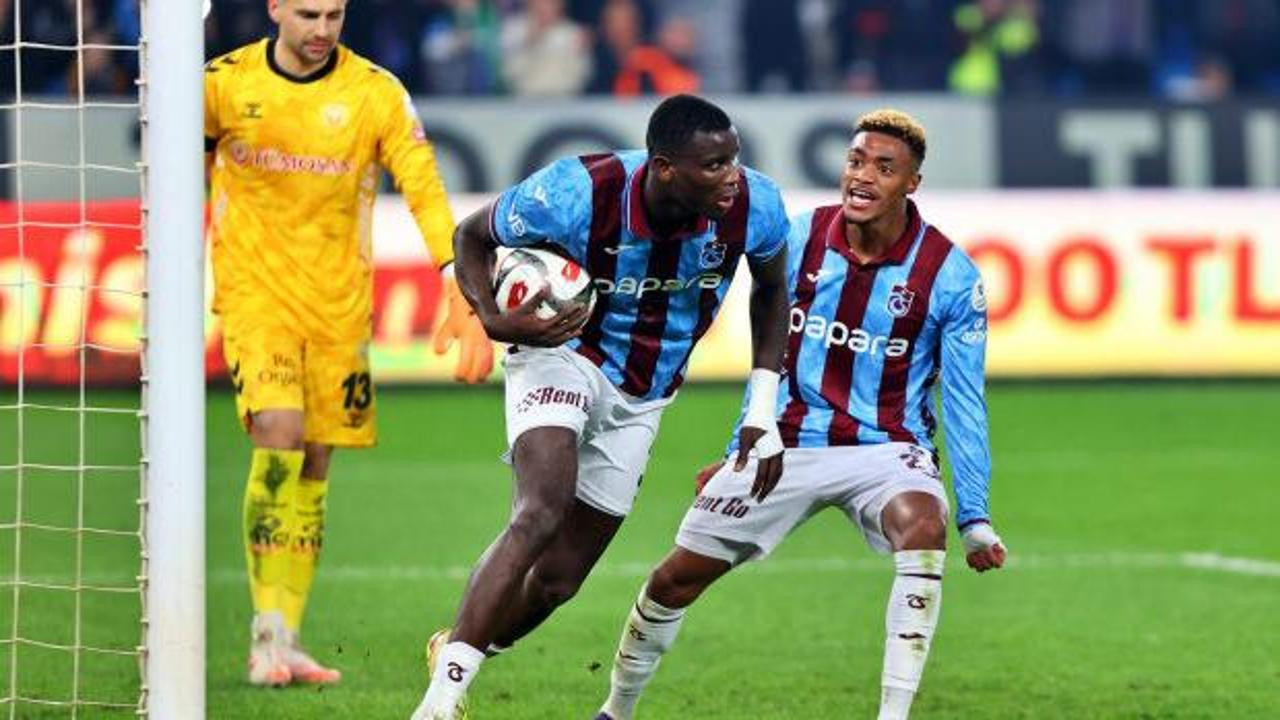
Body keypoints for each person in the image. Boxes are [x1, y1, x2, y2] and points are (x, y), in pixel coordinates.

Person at [594, 108, 1007, 720]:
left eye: (884, 168)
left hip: (887, 449)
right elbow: (770, 355)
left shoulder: (948, 275)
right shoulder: (798, 237)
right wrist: (740, 446)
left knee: (923, 523)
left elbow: (966, 400)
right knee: (674, 579)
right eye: (856, 161)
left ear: (911, 183)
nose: (863, 176)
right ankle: (615, 709)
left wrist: (974, 516)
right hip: (783, 444)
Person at [410, 94, 792, 720]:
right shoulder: (577, 191)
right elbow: (471, 235)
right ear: (664, 168)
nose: (732, 177)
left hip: (646, 391)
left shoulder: (756, 204)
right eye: (714, 165)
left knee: (557, 582)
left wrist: (761, 408)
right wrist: (494, 318)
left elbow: (772, 291)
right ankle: (441, 701)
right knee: (540, 510)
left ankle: (456, 645)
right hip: (562, 352)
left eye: (734, 159)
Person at [203, 0, 493, 687]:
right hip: (255, 295)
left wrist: (455, 276)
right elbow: (171, 170)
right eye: (308, 14)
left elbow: (422, 187)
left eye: (334, 15)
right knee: (279, 433)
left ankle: (287, 637)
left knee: (314, 460)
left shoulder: (374, 92)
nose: (322, 29)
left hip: (338, 309)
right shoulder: (222, 84)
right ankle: (265, 634)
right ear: (275, 8)